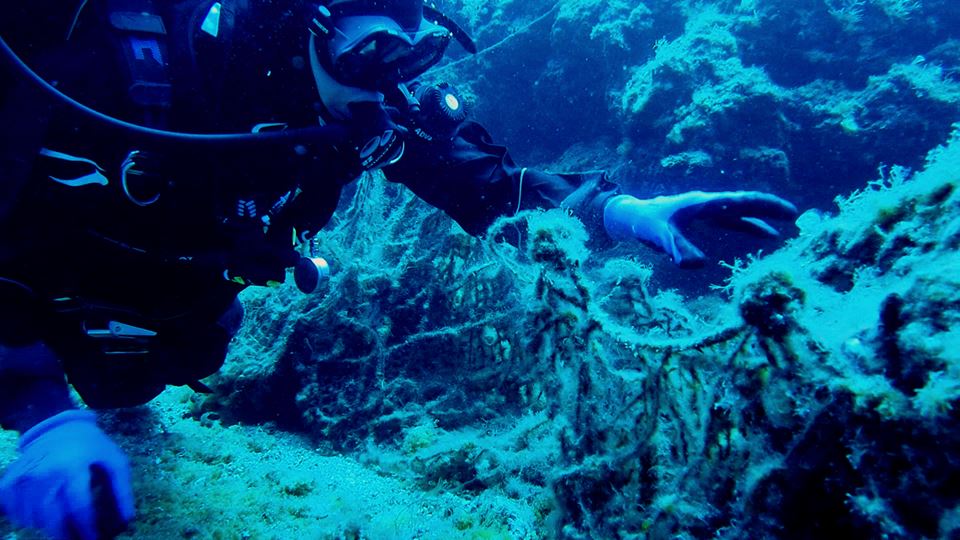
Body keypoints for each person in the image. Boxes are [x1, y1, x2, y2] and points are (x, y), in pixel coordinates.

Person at [0, 0, 798, 538]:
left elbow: (489, 185)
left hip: (161, 314)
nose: (386, 87)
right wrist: (40, 411)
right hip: (27, 298)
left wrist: (627, 215)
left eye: (407, 54)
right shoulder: (121, 66)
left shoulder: (354, 108)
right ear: (297, 23)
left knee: (171, 356)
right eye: (370, 49)